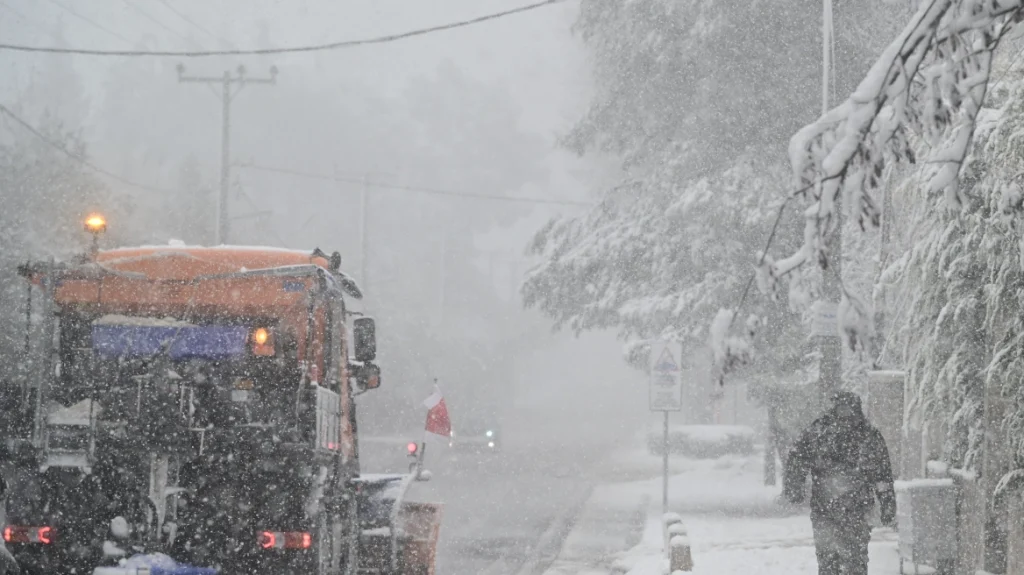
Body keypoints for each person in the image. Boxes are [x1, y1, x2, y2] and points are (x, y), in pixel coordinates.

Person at [784, 391, 897, 575]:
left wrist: (794, 488)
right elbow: (882, 475)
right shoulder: (867, 435)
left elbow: (882, 475)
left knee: (838, 561)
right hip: (846, 510)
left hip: (838, 510)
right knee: (846, 561)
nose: (844, 414)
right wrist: (887, 503)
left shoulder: (819, 431)